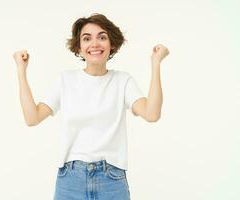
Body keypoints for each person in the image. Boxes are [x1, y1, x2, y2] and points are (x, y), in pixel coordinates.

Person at [13, 13, 169, 200]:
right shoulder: (65, 80)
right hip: (70, 180)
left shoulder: (123, 81)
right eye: (87, 38)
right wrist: (21, 71)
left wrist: (156, 64)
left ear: (112, 44)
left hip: (111, 180)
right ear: (79, 47)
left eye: (102, 37)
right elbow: (33, 117)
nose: (94, 44)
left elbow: (152, 114)